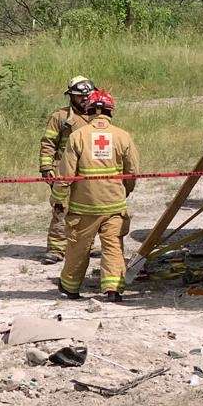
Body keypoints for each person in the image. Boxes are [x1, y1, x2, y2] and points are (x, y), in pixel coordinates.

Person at [55, 90, 139, 302]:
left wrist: (58, 199)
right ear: (110, 111)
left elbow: (65, 174)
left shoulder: (77, 136)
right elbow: (132, 172)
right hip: (114, 205)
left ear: (89, 110)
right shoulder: (122, 136)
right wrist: (125, 190)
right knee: (113, 246)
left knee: (78, 247)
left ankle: (70, 288)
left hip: (84, 207)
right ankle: (112, 290)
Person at [39, 76, 94, 265]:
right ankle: (56, 249)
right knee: (61, 208)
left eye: (88, 95)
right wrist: (47, 167)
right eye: (80, 96)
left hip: (90, 170)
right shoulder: (60, 117)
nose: (85, 99)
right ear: (71, 96)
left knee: (89, 209)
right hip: (64, 169)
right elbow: (48, 143)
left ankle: (87, 245)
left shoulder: (98, 116)